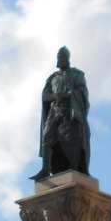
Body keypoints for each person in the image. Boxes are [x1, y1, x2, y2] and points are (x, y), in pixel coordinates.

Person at [37, 46, 90, 179]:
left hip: (70, 110)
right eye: (58, 57)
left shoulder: (77, 74)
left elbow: (82, 92)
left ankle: (74, 167)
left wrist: (68, 94)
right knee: (47, 137)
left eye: (62, 56)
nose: (59, 59)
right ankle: (45, 168)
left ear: (67, 58)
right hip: (55, 110)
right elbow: (45, 95)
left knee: (71, 138)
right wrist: (56, 97)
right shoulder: (52, 78)